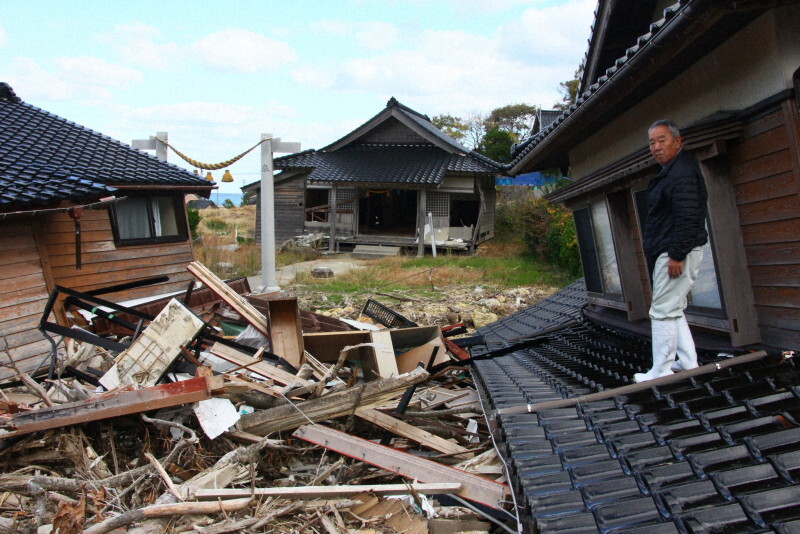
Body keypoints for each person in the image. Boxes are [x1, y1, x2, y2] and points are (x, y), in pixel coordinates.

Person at [634, 120, 709, 383]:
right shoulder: (675, 171)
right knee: (673, 307)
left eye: (661, 140)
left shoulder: (681, 173)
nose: (656, 147)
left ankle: (661, 370)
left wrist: (677, 254)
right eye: (652, 143)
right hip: (673, 249)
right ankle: (688, 362)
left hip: (676, 251)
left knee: (662, 311)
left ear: (678, 141)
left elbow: (688, 217)